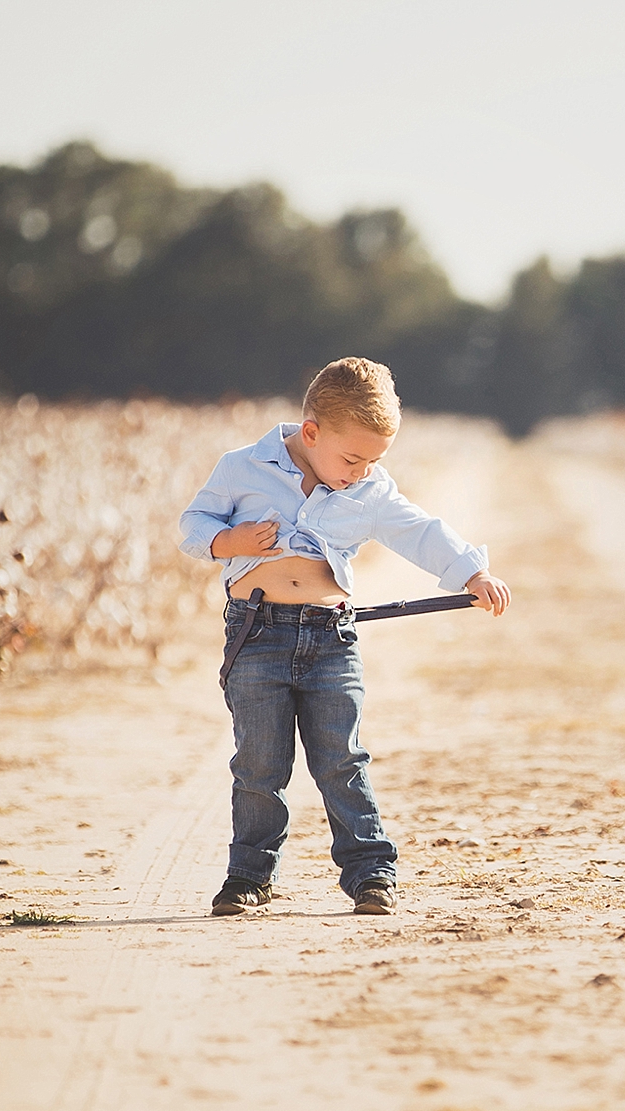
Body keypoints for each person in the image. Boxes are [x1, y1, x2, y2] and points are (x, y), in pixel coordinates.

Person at [177, 357, 510, 917]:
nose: (360, 471)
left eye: (374, 460)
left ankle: (371, 873)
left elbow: (420, 530)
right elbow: (193, 526)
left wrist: (471, 574)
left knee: (341, 760)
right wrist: (230, 542)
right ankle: (248, 876)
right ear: (311, 432)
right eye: (352, 458)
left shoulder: (369, 490)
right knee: (260, 762)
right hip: (257, 635)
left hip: (332, 640)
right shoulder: (243, 468)